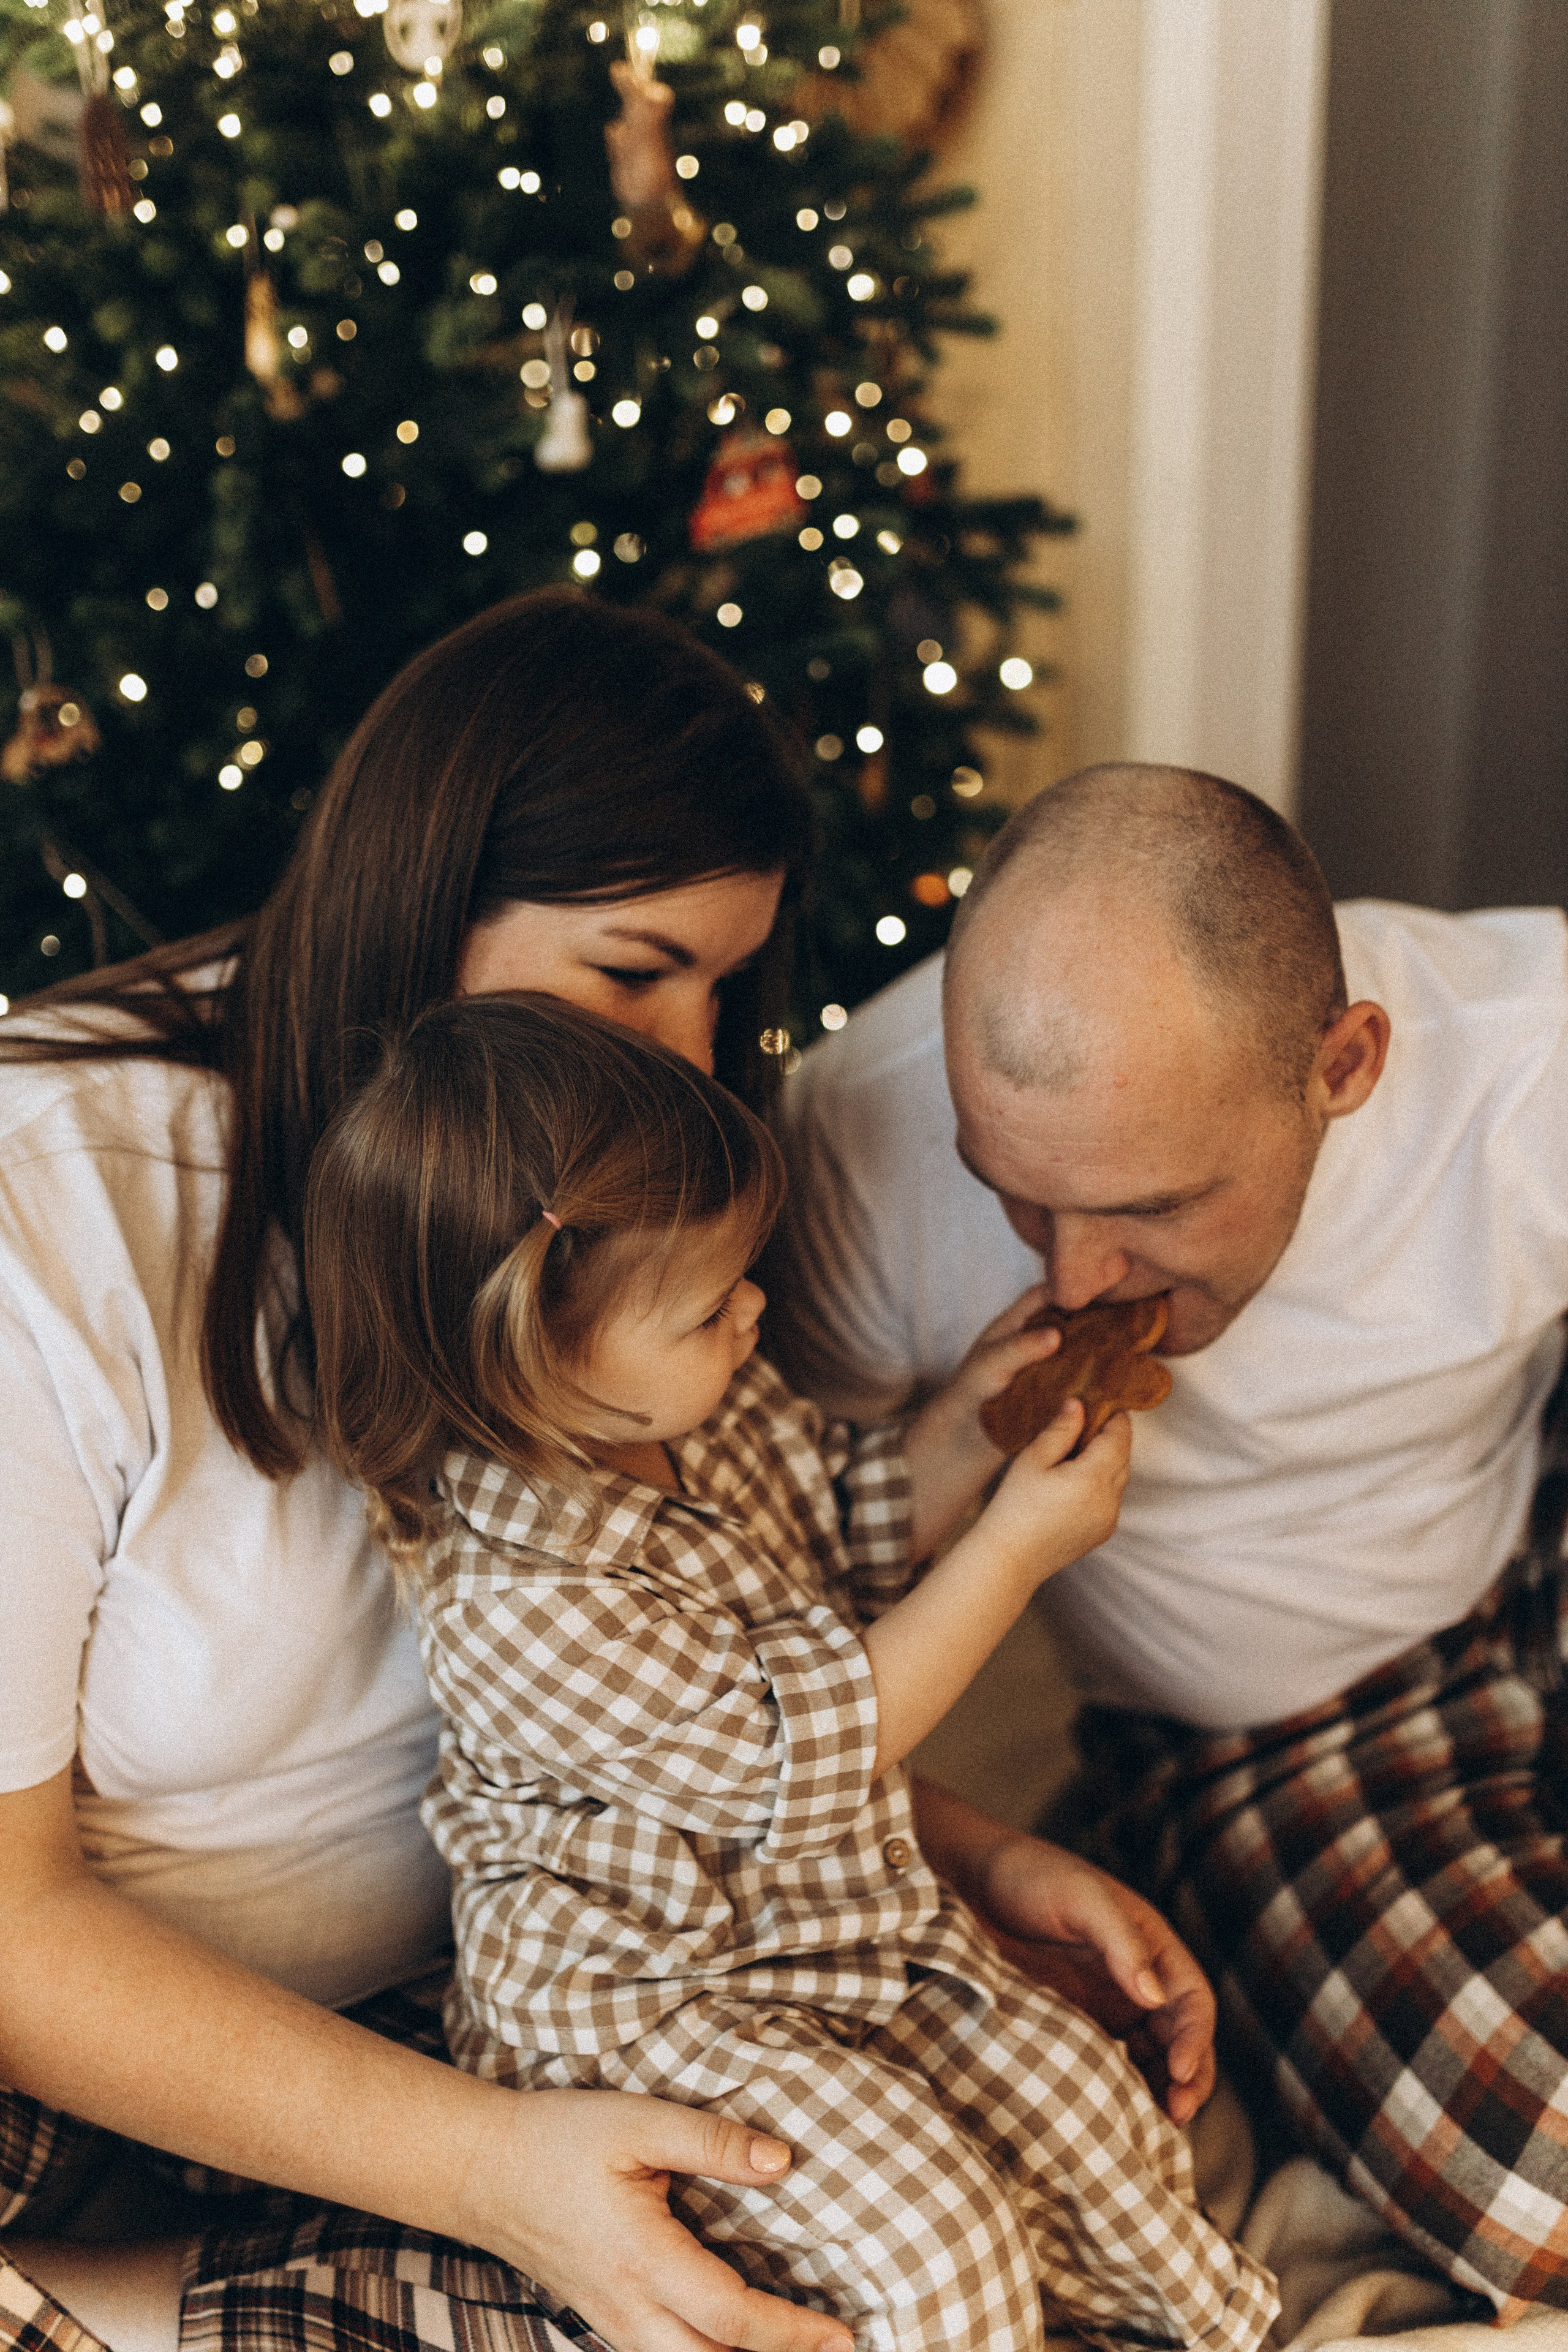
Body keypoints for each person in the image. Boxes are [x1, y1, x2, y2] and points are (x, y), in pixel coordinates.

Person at [0, 607, 1216, 2352]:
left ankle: (211, 2286)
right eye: (633, 972)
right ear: (424, 911)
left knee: (885, 2261)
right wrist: (491, 2175)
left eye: (724, 991)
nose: (690, 1060)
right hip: (73, 2067)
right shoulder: (56, 1211)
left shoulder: (620, 1276)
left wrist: (965, 1855)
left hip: (453, 2019)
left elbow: (666, 1681)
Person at [303, 990, 1281, 2352]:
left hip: (842, 1926)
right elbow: (806, 1755)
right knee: (929, 2237)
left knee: (1082, 2105)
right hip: (659, 2004)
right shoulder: (513, 1600)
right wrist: (1014, 1551)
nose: (754, 1308)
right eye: (710, 1304)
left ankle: (1201, 2328)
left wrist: (969, 1423)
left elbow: (846, 1521)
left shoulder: (699, 1404)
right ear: (534, 1360)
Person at [769, 760, 1568, 2323]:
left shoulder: (1523, 1055)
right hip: (1284, 1742)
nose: (1074, 1280)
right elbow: (773, 1612)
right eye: (1016, 1200)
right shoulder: (854, 1145)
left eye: (1150, 1208)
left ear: (1341, 1064)